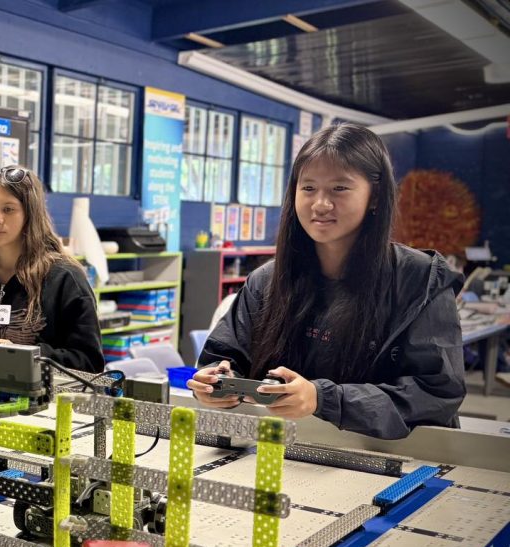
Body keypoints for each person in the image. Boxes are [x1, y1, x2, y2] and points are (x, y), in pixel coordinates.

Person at [188, 123, 465, 440]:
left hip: (391, 462)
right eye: (308, 188)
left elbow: (437, 392)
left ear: (374, 196)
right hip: (287, 451)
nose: (320, 204)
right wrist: (216, 382)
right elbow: (225, 356)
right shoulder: (267, 281)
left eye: (339, 188)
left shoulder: (421, 279)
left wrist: (323, 399)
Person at [0, 166, 104, 373]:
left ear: (30, 214)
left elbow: (89, 362)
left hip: (43, 402)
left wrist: (24, 356)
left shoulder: (65, 278)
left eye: (8, 209)